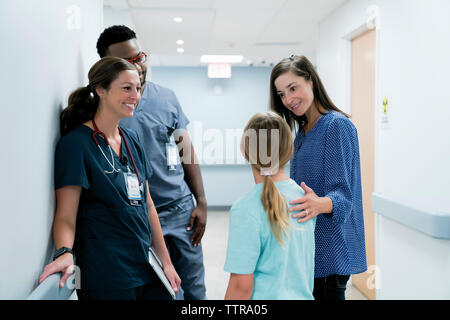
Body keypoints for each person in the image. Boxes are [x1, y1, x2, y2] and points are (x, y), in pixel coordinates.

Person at [38, 56, 181, 300]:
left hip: (145, 266)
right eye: (126, 88)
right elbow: (65, 216)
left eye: (137, 87)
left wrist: (165, 262)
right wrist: (64, 252)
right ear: (100, 90)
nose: (135, 95)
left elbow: (147, 205)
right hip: (106, 274)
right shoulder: (76, 145)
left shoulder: (131, 140)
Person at [96, 25, 207, 300]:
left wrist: (201, 201)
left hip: (181, 210)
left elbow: (186, 150)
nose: (138, 66)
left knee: (194, 290)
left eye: (139, 57)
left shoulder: (167, 97)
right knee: (163, 292)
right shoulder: (107, 107)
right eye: (127, 62)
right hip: (140, 216)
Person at [269, 55, 367, 300]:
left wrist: (318, 203)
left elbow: (345, 200)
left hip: (330, 256)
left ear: (311, 81)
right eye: (281, 94)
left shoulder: (336, 126)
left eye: (293, 88)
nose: (288, 99)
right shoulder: (303, 133)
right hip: (309, 252)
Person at [224, 111, 316, 300]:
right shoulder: (307, 200)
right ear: (290, 151)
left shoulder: (246, 209)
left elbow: (241, 287)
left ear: (244, 151)